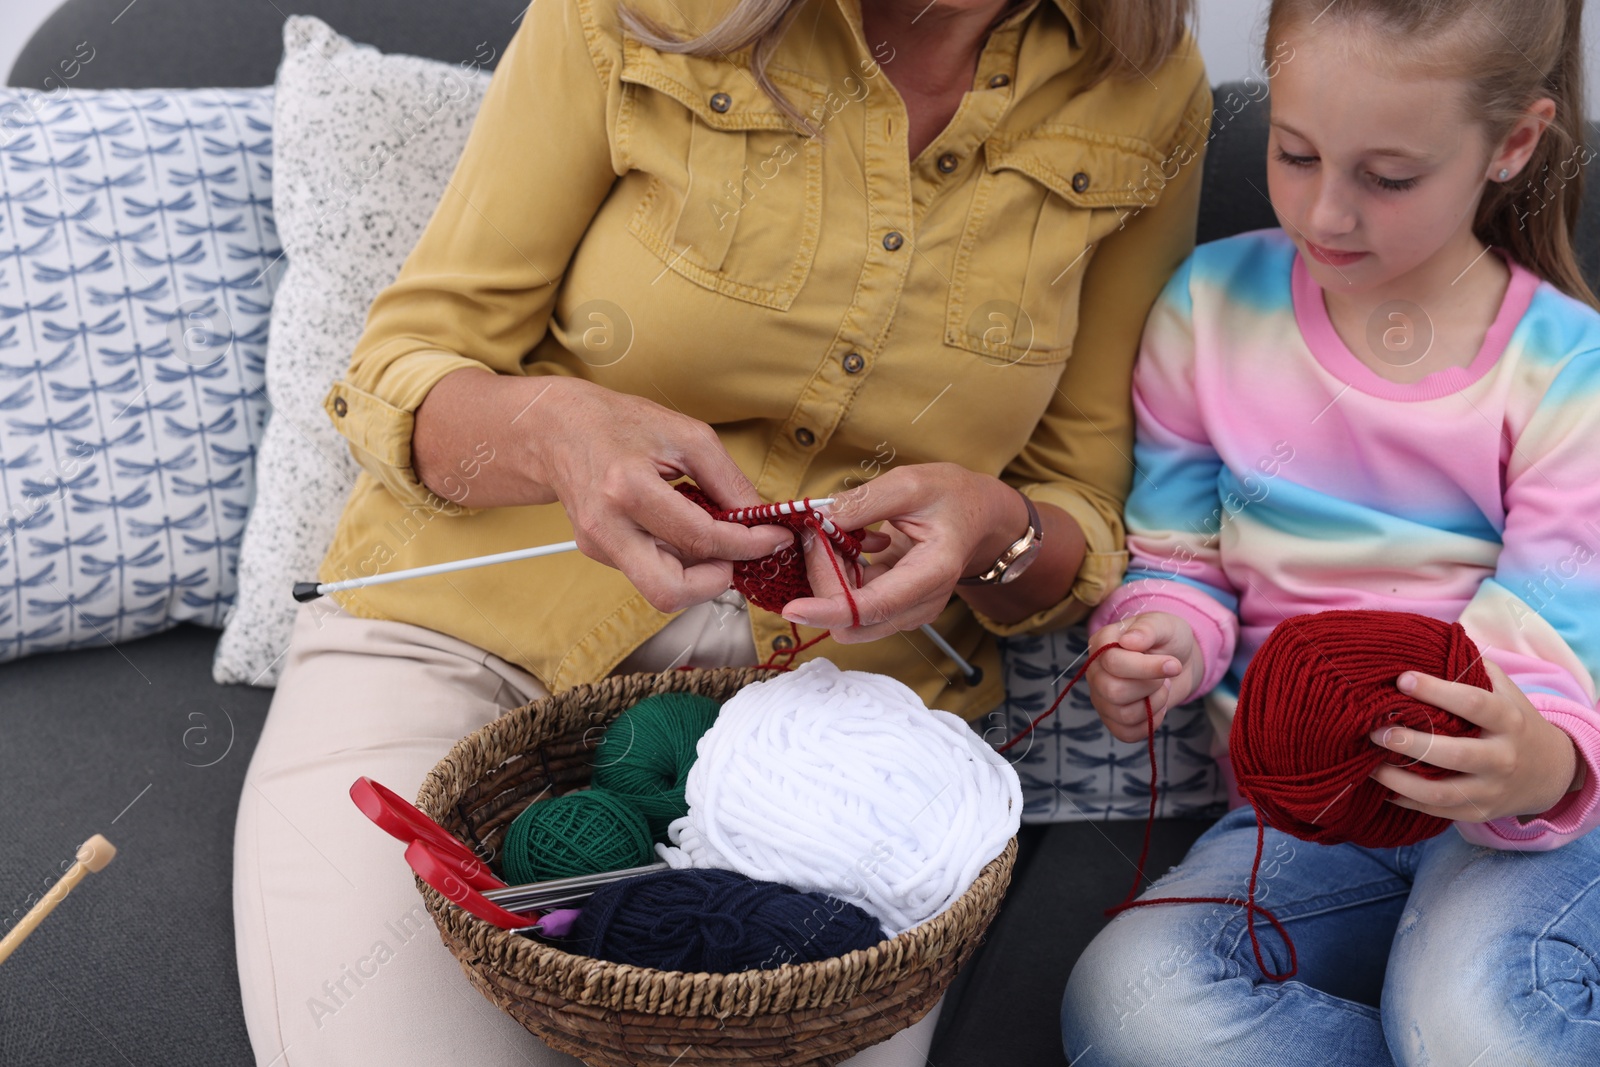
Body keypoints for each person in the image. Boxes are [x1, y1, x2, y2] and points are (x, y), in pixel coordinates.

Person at [232, 0, 1210, 1063]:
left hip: (835, 748)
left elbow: (1078, 513)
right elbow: (403, 368)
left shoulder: (1142, 84)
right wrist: (556, 430)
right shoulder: (634, 13)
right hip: (463, 642)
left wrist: (992, 530)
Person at [1063, 1, 1600, 1064]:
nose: (1326, 214)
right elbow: (1181, 560)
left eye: (1387, 178)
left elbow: (1558, 644)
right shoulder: (1210, 305)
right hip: (1307, 815)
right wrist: (1160, 634)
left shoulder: (1564, 368)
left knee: (1471, 1023)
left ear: (1512, 145)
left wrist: (1534, 767)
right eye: (1294, 154)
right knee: (1127, 1000)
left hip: (1524, 812)